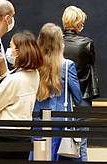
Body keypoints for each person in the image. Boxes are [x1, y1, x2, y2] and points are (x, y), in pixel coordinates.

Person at [0, 30, 42, 160]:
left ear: (19, 52)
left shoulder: (16, 79)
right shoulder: (34, 74)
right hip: (23, 136)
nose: (8, 50)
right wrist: (4, 70)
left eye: (11, 47)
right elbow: (14, 91)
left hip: (3, 137)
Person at [34, 23, 82, 161]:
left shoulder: (34, 65)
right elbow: (78, 97)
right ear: (60, 43)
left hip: (37, 120)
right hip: (60, 122)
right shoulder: (67, 66)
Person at [62, 5, 99, 161]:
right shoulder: (87, 44)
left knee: (57, 139)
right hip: (82, 97)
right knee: (81, 141)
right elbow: (91, 62)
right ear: (78, 23)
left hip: (60, 98)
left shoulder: (55, 43)